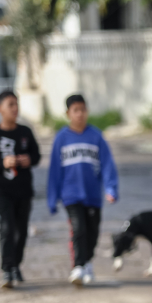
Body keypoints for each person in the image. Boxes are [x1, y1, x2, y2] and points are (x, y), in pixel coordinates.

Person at [47, 94, 119, 285]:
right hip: (70, 195)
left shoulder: (96, 136)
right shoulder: (62, 138)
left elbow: (107, 165)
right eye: (75, 111)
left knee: (92, 233)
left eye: (83, 110)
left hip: (92, 195)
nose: (80, 114)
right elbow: (55, 170)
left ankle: (87, 263)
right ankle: (78, 266)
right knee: (78, 229)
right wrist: (52, 197)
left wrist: (111, 189)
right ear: (68, 113)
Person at [0, 90, 41, 288]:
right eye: (10, 105)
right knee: (7, 228)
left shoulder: (25, 132)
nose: (14, 109)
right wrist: (3, 163)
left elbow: (37, 156)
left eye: (16, 104)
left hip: (24, 191)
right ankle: (7, 269)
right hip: (2, 190)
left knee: (21, 231)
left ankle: (16, 265)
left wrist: (28, 160)